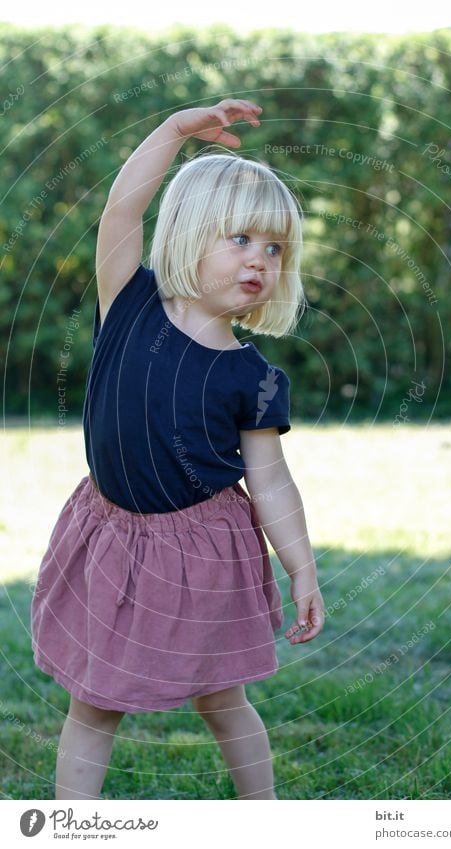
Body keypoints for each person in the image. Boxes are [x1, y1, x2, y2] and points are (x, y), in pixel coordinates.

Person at [31, 98, 325, 801]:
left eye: (275, 247)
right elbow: (120, 212)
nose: (260, 258)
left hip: (202, 550)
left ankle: (263, 815)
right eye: (242, 238)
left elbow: (271, 482)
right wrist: (170, 132)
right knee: (94, 699)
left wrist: (302, 569)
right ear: (191, 234)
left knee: (221, 697)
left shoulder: (250, 375)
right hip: (109, 532)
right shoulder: (127, 303)